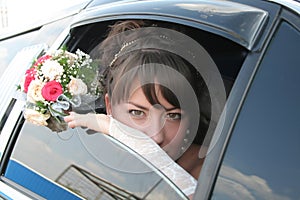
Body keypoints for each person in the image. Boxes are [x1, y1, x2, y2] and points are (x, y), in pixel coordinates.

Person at [64, 20, 211, 199]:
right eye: (137, 113)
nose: (156, 137)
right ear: (109, 107)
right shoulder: (76, 156)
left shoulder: (209, 170)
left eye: (173, 115)